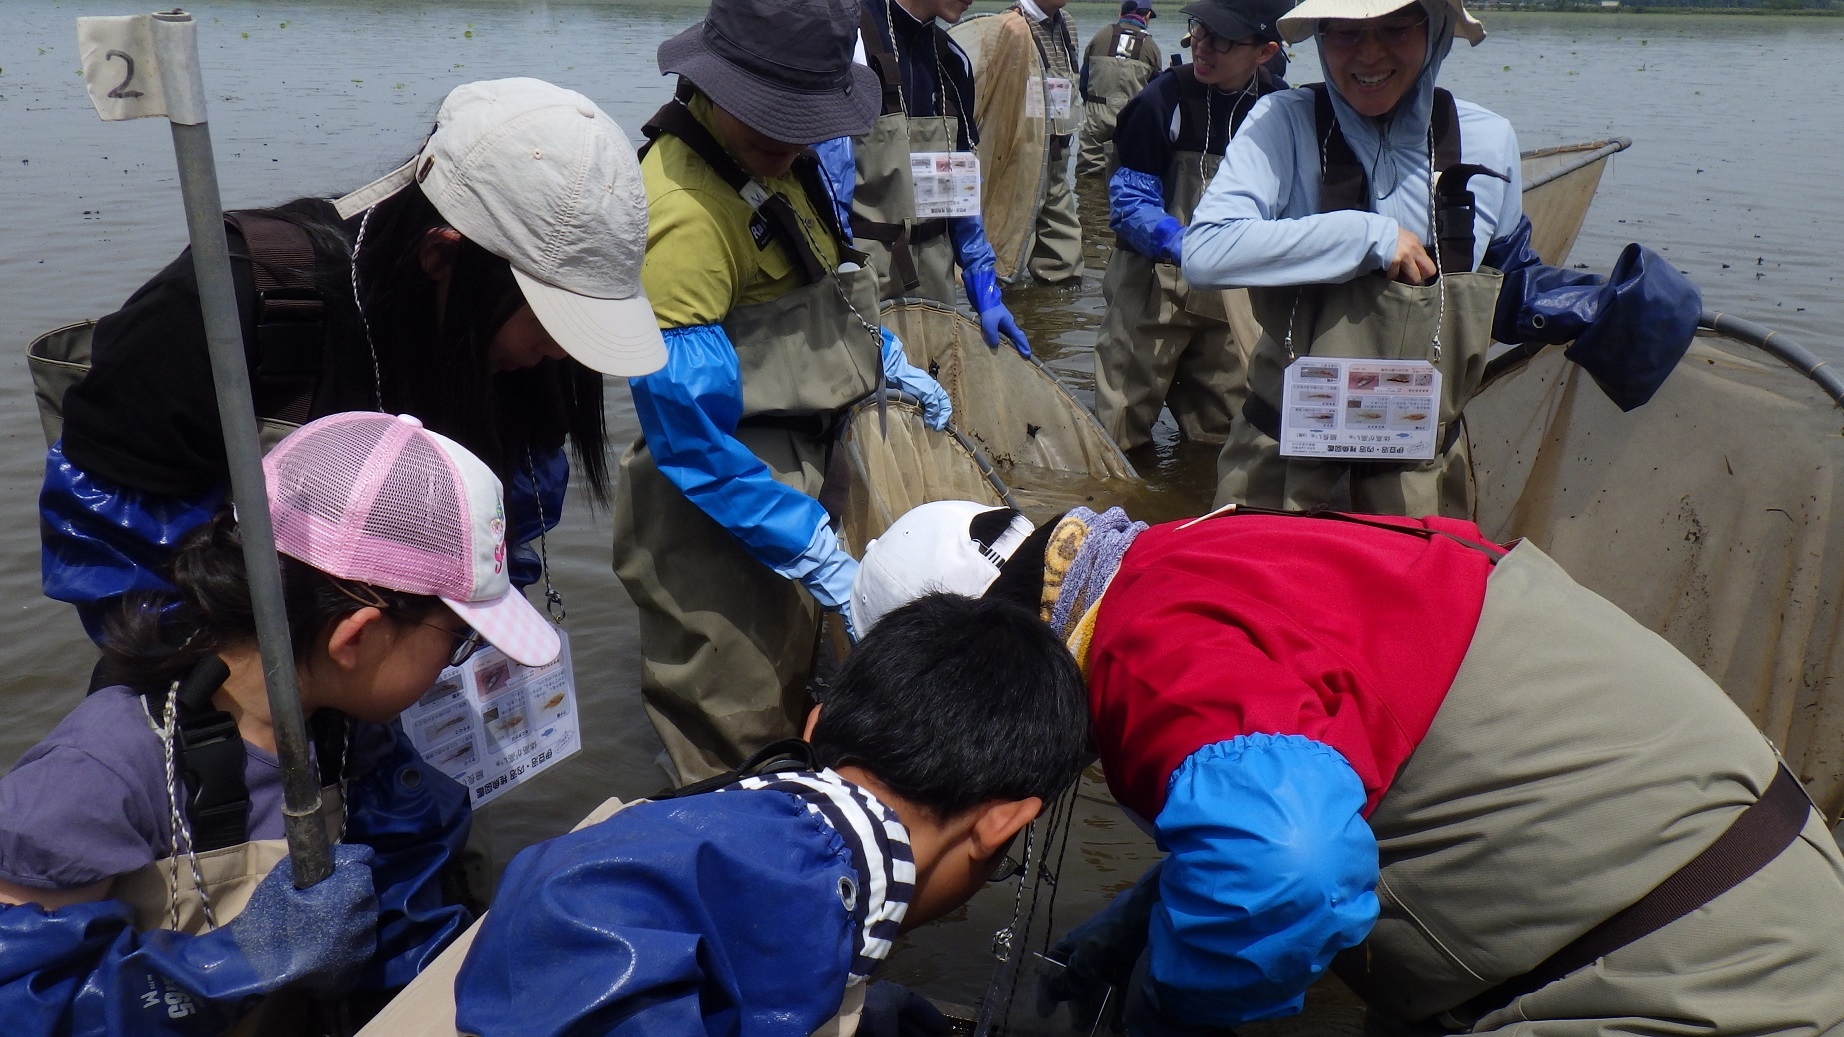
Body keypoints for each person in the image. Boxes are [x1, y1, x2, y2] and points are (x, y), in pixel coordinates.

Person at [851, 499, 1844, 1034]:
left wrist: (1168, 1008)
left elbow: (1284, 864)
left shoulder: (1142, 648)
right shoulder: (1199, 554)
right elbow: (1322, 768)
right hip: (1763, 883)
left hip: (1702, 975)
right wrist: (1153, 912)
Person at [40, 78, 666, 646]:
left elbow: (513, 519)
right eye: (552, 321)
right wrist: (236, 691)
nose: (563, 351)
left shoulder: (532, 350)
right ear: (441, 258)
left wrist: (469, 640)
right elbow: (109, 543)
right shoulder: (224, 308)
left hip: (411, 668)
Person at [0, 411, 567, 1036]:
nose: (455, 663)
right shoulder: (95, 776)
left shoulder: (355, 738)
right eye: (458, 639)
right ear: (358, 638)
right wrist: (232, 964)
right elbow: (24, 999)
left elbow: (409, 924)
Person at [451, 592, 1090, 1037]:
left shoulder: (748, 811)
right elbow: (572, 916)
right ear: (1001, 823)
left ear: (816, 726)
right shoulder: (813, 880)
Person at [1182, 0, 1699, 518]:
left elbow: (1501, 279)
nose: (1368, 54)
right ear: (1318, 36)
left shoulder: (1488, 139)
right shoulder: (1281, 122)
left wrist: (1585, 306)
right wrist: (1370, 235)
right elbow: (1205, 252)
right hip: (1281, 466)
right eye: (1342, 32)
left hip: (1417, 478)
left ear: (1437, 31)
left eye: (1395, 27)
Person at [615, 0, 956, 783]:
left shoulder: (775, 160)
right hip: (718, 503)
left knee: (798, 700)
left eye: (807, 121)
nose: (796, 138)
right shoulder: (685, 215)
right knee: (729, 730)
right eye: (778, 120)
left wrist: (884, 359)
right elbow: (688, 436)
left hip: (802, 472)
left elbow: (824, 276)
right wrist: (810, 546)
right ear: (718, 86)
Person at [1091, 0, 1288, 452]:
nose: (1202, 46)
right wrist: (1179, 242)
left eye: (1221, 39)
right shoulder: (1161, 100)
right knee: (1119, 427)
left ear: (1264, 52)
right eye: (1199, 29)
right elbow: (1128, 200)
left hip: (1232, 296)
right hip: (1150, 288)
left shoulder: (1278, 110)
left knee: (1226, 432)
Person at [836, 0, 1031, 357]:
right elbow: (825, 186)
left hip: (934, 279)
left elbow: (961, 186)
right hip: (862, 281)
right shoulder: (850, 42)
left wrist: (983, 284)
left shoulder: (953, 60)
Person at [1075, 0, 1163, 180]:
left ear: (1120, 13)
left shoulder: (1100, 36)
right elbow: (1154, 94)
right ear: (1146, 16)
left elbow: (1083, 81)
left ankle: (1087, 207)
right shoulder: (1150, 46)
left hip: (1096, 112)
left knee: (1089, 173)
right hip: (1130, 117)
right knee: (1127, 174)